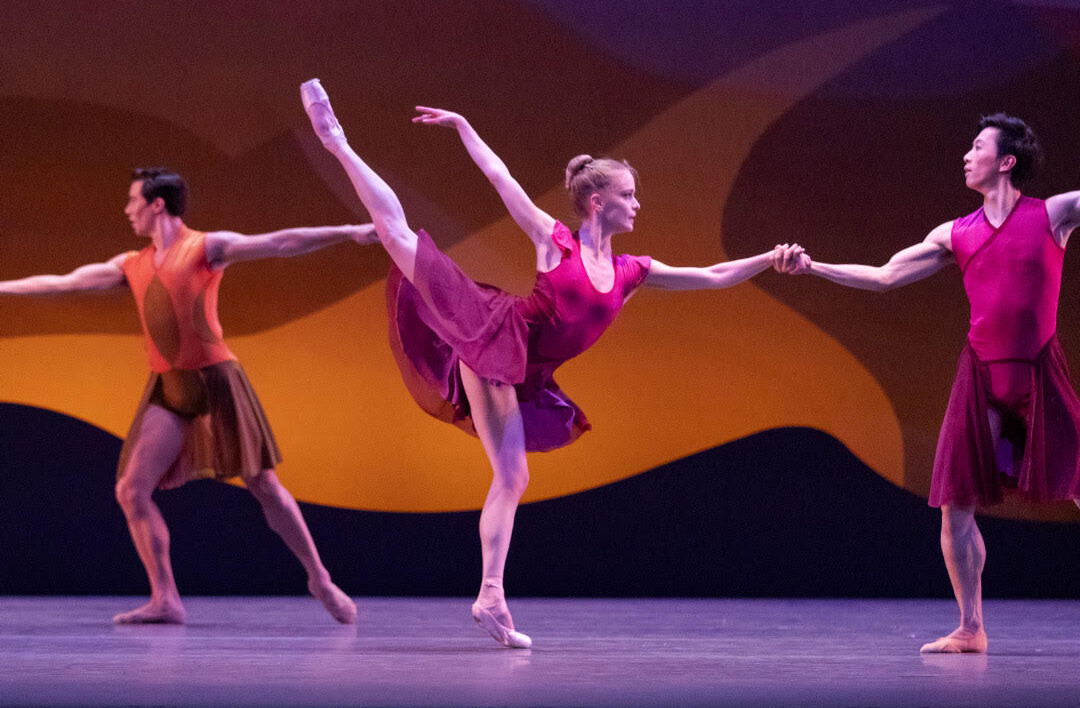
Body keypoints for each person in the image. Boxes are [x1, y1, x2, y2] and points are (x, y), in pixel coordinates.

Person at [300, 78, 785, 648]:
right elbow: (500, 180)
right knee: (398, 237)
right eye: (630, 195)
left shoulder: (631, 272)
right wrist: (464, 127)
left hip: (525, 373)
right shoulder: (556, 243)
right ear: (598, 202)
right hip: (495, 338)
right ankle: (335, 140)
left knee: (511, 478)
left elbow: (711, 276)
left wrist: (768, 259)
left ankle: (490, 597)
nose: (638, 204)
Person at [0, 168, 378, 624]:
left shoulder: (205, 248)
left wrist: (351, 231)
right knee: (131, 490)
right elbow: (65, 283)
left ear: (157, 204)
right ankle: (166, 600)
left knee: (264, 485)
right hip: (169, 386)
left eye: (132, 200)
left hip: (216, 379)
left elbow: (280, 241)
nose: (127, 210)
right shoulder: (131, 264)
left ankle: (319, 578)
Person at [773, 114, 1080, 653]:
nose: (966, 154)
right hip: (982, 375)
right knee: (956, 505)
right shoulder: (953, 233)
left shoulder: (1054, 214)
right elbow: (886, 275)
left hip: (1037, 369)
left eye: (977, 146)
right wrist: (813, 267)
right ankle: (970, 628)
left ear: (1006, 162)